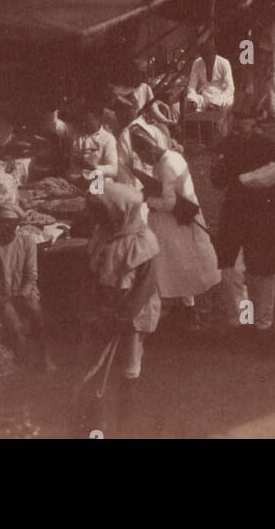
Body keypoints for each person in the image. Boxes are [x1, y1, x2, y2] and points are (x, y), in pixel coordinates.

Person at [81, 180, 160, 431]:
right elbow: (93, 273)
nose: (99, 219)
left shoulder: (143, 241)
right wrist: (97, 308)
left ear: (121, 211)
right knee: (96, 364)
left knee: (128, 364)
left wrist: (120, 318)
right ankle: (96, 417)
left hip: (131, 313)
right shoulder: (104, 235)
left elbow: (144, 289)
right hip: (104, 308)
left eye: (104, 213)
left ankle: (125, 418)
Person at [211, 100, 275, 333]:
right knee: (233, 271)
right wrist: (220, 165)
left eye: (244, 123)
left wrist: (262, 182)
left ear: (254, 123)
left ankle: (262, 323)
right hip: (235, 214)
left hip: (263, 214)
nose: (238, 129)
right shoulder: (226, 146)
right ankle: (242, 319)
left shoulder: (269, 147)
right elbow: (217, 181)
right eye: (235, 123)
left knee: (264, 271)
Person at [131, 123, 220, 314]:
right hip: (182, 217)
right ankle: (188, 304)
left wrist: (149, 201)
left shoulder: (167, 165)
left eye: (142, 153)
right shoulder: (172, 157)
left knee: (183, 262)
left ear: (151, 148)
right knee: (183, 262)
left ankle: (194, 304)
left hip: (178, 219)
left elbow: (170, 202)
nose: (143, 158)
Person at [0, 203, 54, 371]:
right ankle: (23, 361)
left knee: (37, 315)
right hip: (2, 295)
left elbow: (31, 274)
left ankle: (44, 356)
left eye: (9, 222)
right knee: (15, 324)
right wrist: (5, 299)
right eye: (1, 222)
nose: (5, 226)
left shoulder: (27, 242)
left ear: (16, 224)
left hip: (25, 291)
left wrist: (22, 294)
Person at [185, 41, 235, 113]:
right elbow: (191, 86)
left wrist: (216, 102)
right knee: (189, 102)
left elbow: (230, 88)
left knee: (227, 101)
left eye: (209, 57)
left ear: (214, 54)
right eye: (204, 58)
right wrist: (193, 100)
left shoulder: (224, 63)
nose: (207, 61)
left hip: (221, 96)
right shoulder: (197, 63)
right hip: (205, 96)